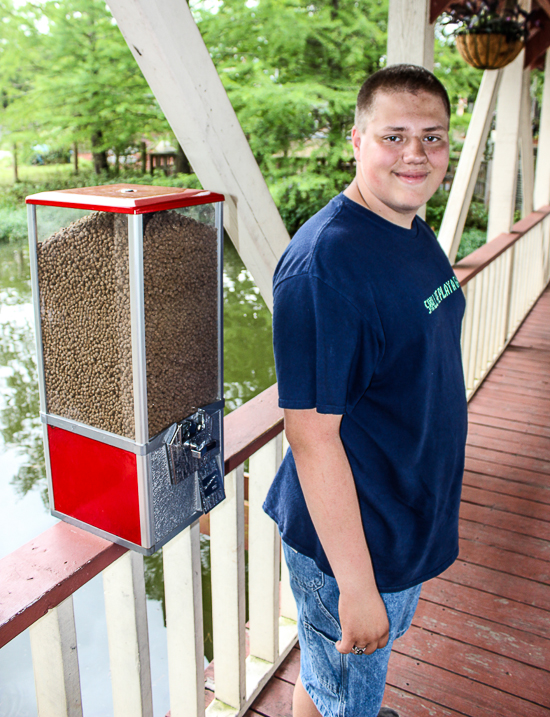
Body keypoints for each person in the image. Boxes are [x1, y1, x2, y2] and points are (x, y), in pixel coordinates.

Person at [263, 64, 467, 717]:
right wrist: (355, 587)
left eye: (432, 138)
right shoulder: (326, 266)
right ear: (357, 140)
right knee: (345, 690)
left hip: (404, 512)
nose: (416, 154)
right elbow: (311, 437)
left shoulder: (410, 227)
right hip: (355, 540)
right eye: (394, 136)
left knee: (334, 678)